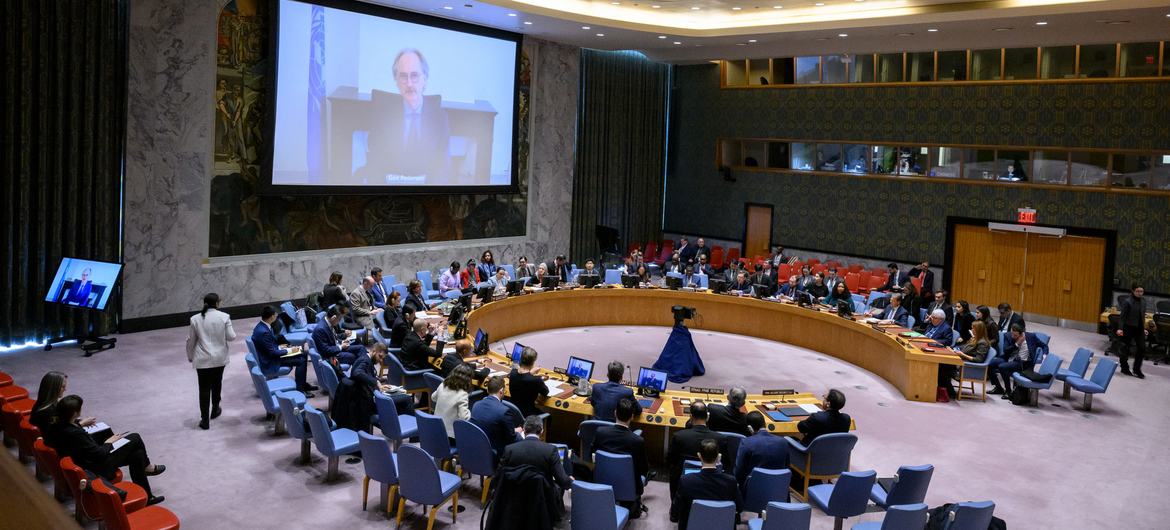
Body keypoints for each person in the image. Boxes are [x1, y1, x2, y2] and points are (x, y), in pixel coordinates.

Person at [44, 395, 166, 505]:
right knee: (135, 437)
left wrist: (80, 424)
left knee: (137, 455)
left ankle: (148, 497)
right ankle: (148, 467)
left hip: (86, 462)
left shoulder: (57, 426)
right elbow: (99, 455)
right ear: (75, 413)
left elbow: (73, 436)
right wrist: (109, 442)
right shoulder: (75, 434)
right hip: (96, 468)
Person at [362, 48, 451, 182]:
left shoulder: (440, 117)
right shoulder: (382, 115)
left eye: (414, 75)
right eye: (403, 76)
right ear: (396, 81)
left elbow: (442, 166)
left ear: (425, 79)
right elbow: (375, 162)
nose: (409, 83)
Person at [591, 398, 649, 518]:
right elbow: (643, 469)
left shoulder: (600, 432)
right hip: (629, 487)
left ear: (615, 413)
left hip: (602, 480)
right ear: (632, 417)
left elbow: (593, 453)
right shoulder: (637, 441)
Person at [186, 293, 236, 430]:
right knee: (217, 382)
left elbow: (191, 341)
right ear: (218, 303)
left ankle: (204, 420)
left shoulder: (195, 319)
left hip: (202, 359)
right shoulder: (224, 317)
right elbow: (232, 337)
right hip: (220, 358)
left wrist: (190, 356)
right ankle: (215, 408)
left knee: (203, 388)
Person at [670, 439, 742, 530]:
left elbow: (675, 512)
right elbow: (740, 508)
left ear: (699, 456)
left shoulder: (686, 481)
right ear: (718, 457)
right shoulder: (731, 481)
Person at [668, 401, 727, 500]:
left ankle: (675, 504)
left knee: (674, 470)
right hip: (712, 482)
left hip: (682, 481)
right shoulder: (721, 439)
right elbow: (726, 464)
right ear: (707, 417)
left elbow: (670, 460)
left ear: (690, 417)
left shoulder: (679, 436)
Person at [498, 415, 573, 490]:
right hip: (542, 498)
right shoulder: (551, 451)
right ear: (542, 431)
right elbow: (562, 481)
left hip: (513, 497)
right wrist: (570, 481)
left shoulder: (509, 449)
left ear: (524, 430)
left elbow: (498, 477)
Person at [252, 306, 313, 395]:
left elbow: (270, 346)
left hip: (270, 355)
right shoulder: (264, 331)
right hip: (270, 361)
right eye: (275, 315)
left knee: (302, 353)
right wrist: (290, 351)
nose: (276, 317)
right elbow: (272, 353)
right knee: (301, 359)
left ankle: (302, 384)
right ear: (272, 317)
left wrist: (283, 347)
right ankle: (301, 389)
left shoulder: (261, 326)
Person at [734, 411, 788, 495]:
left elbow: (738, 472)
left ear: (749, 428)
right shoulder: (783, 442)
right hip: (778, 490)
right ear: (765, 424)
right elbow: (786, 468)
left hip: (752, 492)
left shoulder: (747, 443)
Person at [471, 376, 523, 458]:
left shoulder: (476, 405)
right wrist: (518, 432)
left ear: (487, 390)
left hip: (476, 449)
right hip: (495, 454)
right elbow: (512, 438)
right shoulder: (504, 411)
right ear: (501, 391)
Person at [940, 321, 991, 398]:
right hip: (961, 361)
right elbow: (964, 348)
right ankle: (945, 389)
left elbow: (978, 359)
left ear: (979, 330)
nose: (972, 329)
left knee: (943, 367)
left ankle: (949, 391)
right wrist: (953, 349)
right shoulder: (974, 338)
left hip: (969, 366)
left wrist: (962, 354)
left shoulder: (982, 343)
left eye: (973, 328)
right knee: (942, 364)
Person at [433, 364, 475, 441]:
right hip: (451, 436)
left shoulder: (443, 385)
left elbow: (433, 398)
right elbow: (464, 418)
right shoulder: (463, 394)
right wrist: (469, 412)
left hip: (437, 429)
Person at [1117, 283, 1149, 377]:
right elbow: (1122, 317)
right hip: (1128, 327)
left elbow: (1142, 316)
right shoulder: (1127, 302)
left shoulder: (1143, 301)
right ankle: (1124, 368)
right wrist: (1120, 329)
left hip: (1139, 328)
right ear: (1133, 291)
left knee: (1142, 348)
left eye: (1141, 291)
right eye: (1138, 291)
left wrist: (1143, 328)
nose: (1140, 293)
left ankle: (1137, 369)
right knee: (1125, 349)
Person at [989, 324, 1030, 396]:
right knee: (990, 364)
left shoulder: (1028, 337)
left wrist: (1044, 353)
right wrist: (1016, 344)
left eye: (1015, 335)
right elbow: (1006, 350)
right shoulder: (1008, 336)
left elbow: (1041, 344)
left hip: (1020, 362)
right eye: (1012, 334)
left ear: (1020, 334)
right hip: (1008, 358)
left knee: (1002, 366)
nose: (1013, 336)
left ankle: (1008, 391)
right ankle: (998, 388)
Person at [507, 347, 549, 418]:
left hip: (514, 412)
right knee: (548, 417)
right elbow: (545, 392)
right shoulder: (536, 380)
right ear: (533, 362)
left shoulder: (513, 373)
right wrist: (535, 377)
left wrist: (530, 373)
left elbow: (523, 377)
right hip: (528, 415)